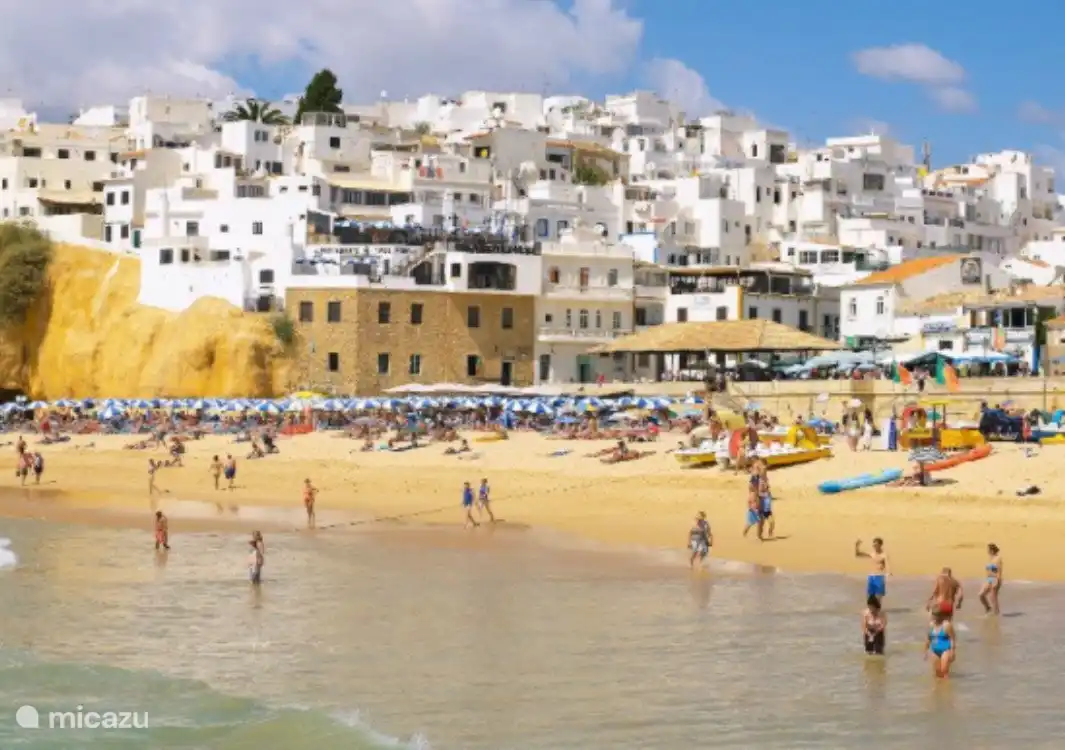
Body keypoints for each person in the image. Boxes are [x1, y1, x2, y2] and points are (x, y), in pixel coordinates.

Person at [925, 607, 957, 678]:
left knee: (944, 671)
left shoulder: (946, 625)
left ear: (942, 615)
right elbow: (928, 638)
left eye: (938, 615)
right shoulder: (931, 625)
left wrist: (952, 651)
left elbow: (952, 639)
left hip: (945, 650)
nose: (936, 617)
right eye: (934, 615)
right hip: (934, 650)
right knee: (937, 673)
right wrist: (926, 651)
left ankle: (946, 687)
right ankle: (939, 688)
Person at [979, 543, 1003, 615]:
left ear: (992, 550)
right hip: (989, 579)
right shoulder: (991, 558)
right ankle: (988, 608)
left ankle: (996, 614)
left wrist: (997, 581)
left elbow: (999, 570)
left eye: (988, 549)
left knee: (993, 598)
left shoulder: (998, 558)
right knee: (981, 595)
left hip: (995, 579)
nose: (987, 551)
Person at [742, 464, 762, 538]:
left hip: (755, 506)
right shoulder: (753, 492)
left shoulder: (756, 478)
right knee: (751, 522)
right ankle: (746, 533)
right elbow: (749, 501)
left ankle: (758, 536)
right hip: (753, 507)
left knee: (756, 522)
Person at [756, 460, 775, 539]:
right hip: (761, 503)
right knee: (761, 522)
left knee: (771, 522)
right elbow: (758, 493)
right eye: (764, 469)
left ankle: (769, 532)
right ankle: (759, 536)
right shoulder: (759, 480)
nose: (765, 470)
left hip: (766, 504)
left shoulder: (765, 479)